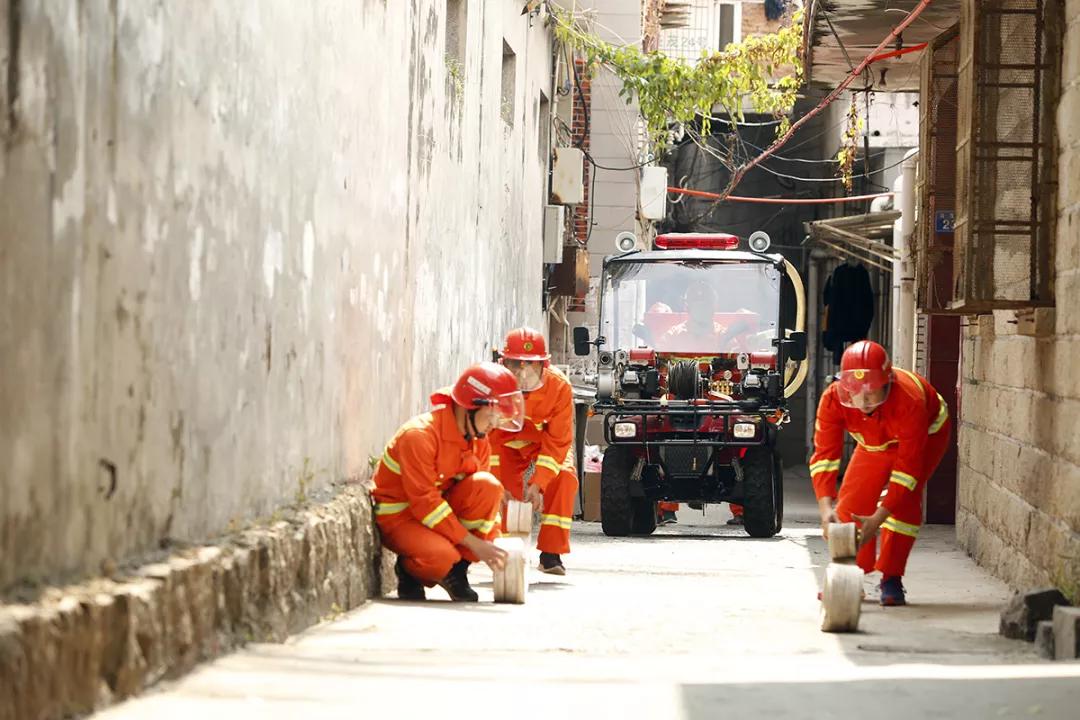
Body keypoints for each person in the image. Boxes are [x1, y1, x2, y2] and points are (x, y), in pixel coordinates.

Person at [809, 340, 951, 606]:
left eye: (871, 393)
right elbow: (824, 457)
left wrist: (878, 518)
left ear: (888, 383)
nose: (863, 402)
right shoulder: (832, 399)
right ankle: (849, 574)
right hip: (874, 440)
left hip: (926, 435)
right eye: (855, 393)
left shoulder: (910, 401)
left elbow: (907, 471)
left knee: (904, 503)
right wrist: (825, 509)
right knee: (851, 503)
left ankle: (891, 577)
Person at [373, 362, 525, 602]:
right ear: (470, 407)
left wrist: (496, 543)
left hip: (437, 513)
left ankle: (457, 571)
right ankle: (410, 571)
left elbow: (484, 500)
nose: (495, 423)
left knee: (489, 487)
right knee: (441, 556)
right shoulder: (419, 436)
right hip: (402, 516)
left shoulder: (478, 440)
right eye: (493, 414)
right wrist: (475, 544)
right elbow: (425, 503)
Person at [489, 328, 579, 575]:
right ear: (504, 363)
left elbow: (558, 440)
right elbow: (488, 440)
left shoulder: (559, 387)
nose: (523, 373)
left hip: (545, 444)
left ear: (544, 365)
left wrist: (539, 484)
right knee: (504, 493)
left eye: (531, 365)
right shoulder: (492, 386)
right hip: (505, 444)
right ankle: (508, 555)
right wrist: (496, 483)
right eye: (516, 365)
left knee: (564, 477)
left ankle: (551, 554)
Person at [658, 279, 728, 352]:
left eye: (705, 306)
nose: (701, 311)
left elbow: (733, 355)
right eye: (697, 306)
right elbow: (658, 354)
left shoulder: (723, 336)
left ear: (714, 308)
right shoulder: (673, 336)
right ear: (687, 308)